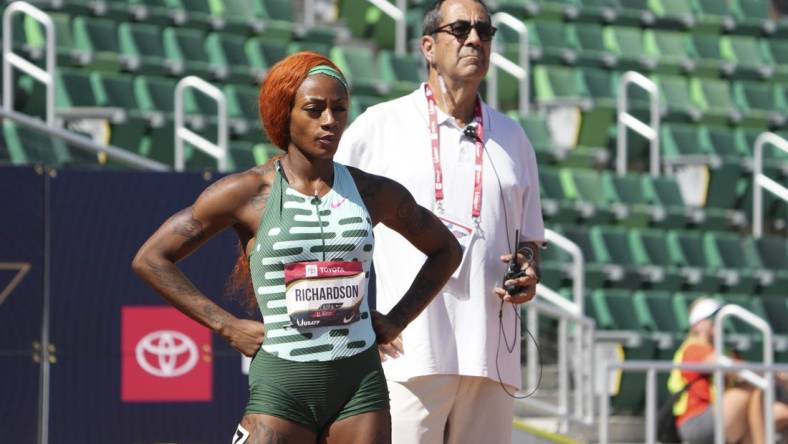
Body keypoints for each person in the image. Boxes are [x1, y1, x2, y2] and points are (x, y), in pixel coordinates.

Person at [132, 52, 463, 444]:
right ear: (283, 114)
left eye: (339, 109)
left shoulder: (372, 192)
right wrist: (226, 325)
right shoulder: (248, 193)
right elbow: (151, 259)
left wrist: (397, 320)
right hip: (283, 384)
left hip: (359, 386)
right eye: (314, 109)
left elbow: (446, 249)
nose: (330, 121)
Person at [334, 1, 545, 442]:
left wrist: (527, 266)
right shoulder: (381, 125)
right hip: (410, 353)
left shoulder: (512, 136)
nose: (475, 39)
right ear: (428, 47)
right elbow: (328, 218)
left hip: (491, 353)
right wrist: (355, 312)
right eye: (461, 28)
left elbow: (529, 238)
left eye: (485, 32)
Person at [668, 298, 788, 444]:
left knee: (782, 412)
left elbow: (744, 370)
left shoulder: (725, 351)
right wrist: (774, 374)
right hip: (695, 422)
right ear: (697, 325)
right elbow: (736, 369)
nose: (717, 322)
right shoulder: (692, 348)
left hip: (727, 416)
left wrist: (780, 378)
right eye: (711, 318)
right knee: (754, 387)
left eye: (719, 318)